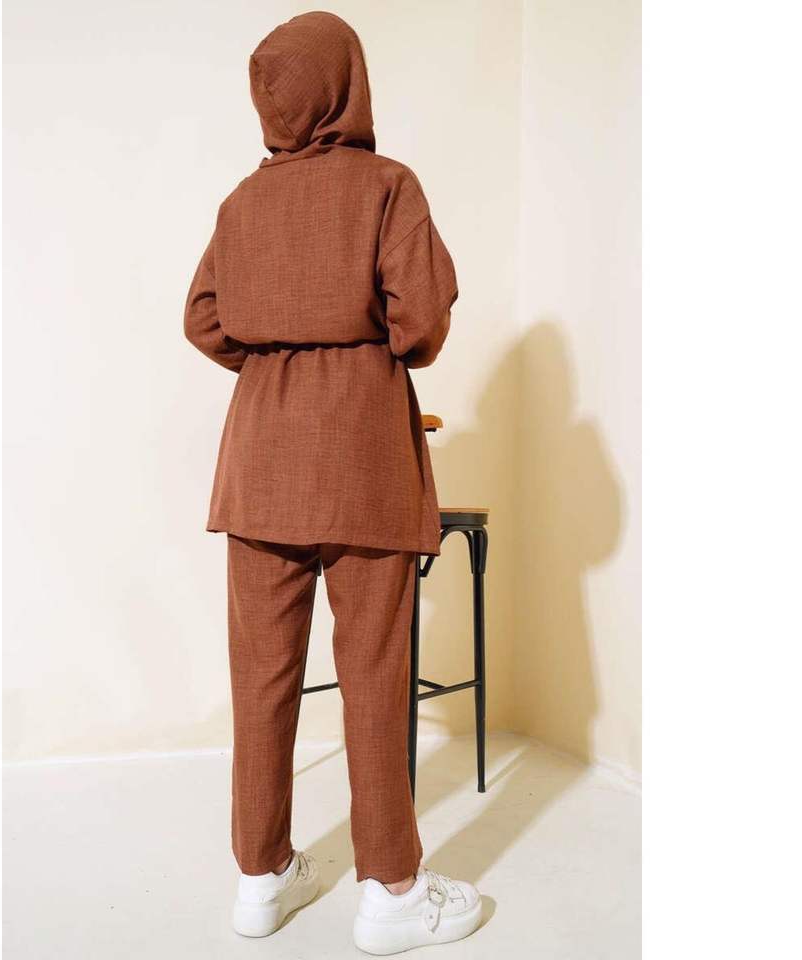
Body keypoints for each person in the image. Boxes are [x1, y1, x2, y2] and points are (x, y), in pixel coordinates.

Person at [184, 11, 482, 955]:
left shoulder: (241, 203)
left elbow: (204, 319)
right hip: (362, 461)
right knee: (374, 678)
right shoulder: (387, 186)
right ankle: (391, 892)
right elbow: (421, 325)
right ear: (349, 82)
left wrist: (279, 356)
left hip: (261, 465)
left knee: (261, 680)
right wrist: (352, 350)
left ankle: (260, 879)